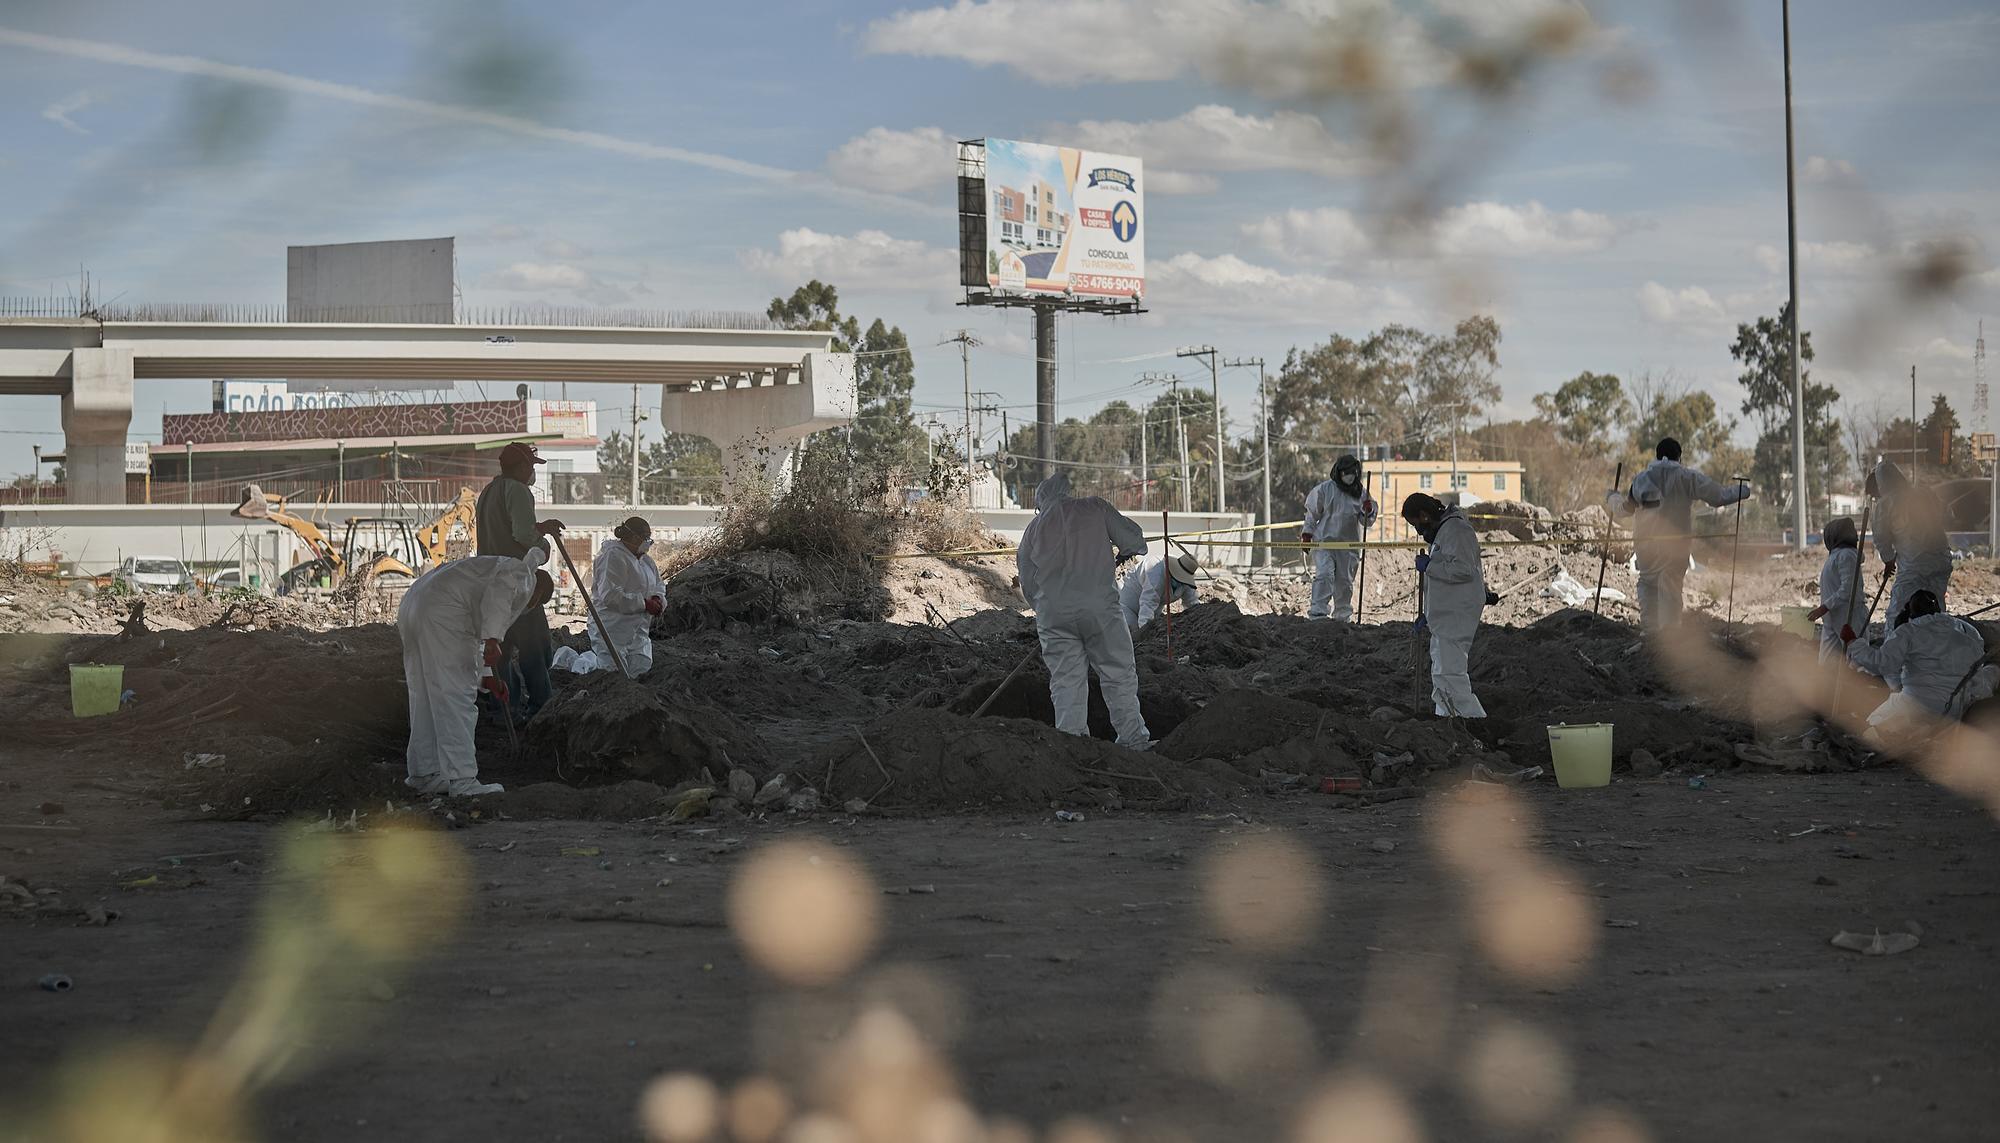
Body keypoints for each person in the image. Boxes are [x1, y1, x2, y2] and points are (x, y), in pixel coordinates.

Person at [398, 549, 554, 797]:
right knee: (457, 697)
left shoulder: (488, 570)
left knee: (425, 695)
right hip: (444, 611)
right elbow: (500, 594)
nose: (530, 607)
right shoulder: (524, 576)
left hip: (416, 605)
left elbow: (473, 639)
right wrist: (493, 640)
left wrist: (487, 678)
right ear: (538, 595)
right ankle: (462, 780)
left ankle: (424, 773)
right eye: (535, 603)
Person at [1015, 472, 1152, 749]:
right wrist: (1122, 552)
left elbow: (1028, 581)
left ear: (1041, 501)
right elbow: (1135, 541)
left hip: (1054, 615)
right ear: (1067, 492)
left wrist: (1044, 610)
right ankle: (1134, 741)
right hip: (1099, 607)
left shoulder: (1034, 528)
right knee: (1118, 672)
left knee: (1066, 681)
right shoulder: (1094, 507)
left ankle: (1072, 746)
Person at [1608, 438, 1750, 631]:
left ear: (1657, 455)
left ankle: (1650, 635)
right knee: (1671, 590)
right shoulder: (1687, 477)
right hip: (1675, 549)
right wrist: (1742, 490)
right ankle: (1670, 638)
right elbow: (1718, 497)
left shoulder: (1641, 479)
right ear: (1679, 457)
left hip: (1646, 548)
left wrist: (1612, 497)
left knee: (1648, 586)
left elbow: (1625, 509)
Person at [476, 442, 566, 720]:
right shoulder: (518, 490)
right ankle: (540, 707)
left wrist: (541, 526)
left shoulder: (490, 491)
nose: (533, 473)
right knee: (536, 648)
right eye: (531, 466)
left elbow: (508, 527)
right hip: (517, 584)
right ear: (522, 466)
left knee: (499, 650)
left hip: (491, 584)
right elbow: (523, 535)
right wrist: (543, 546)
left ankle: (506, 708)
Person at [1846, 590, 1997, 742]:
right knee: (1991, 672)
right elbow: (1978, 662)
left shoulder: (1908, 632)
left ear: (1911, 610)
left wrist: (1853, 642)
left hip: (1918, 706)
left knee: (1870, 734)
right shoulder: (1966, 630)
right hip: (1956, 708)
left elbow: (1881, 664)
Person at [1402, 492, 1489, 719]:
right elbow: (1445, 578)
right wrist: (1429, 616)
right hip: (1446, 613)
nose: (1417, 531)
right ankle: (1448, 715)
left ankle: (1467, 718)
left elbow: (1463, 570)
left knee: (1450, 671)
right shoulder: (1445, 531)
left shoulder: (1457, 531)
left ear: (1424, 515)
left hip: (1457, 612)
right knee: (1442, 670)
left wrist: (1430, 566)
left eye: (1415, 524)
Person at [569, 516, 666, 676]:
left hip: (638, 629)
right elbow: (611, 595)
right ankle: (583, 664)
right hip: (612, 629)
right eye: (646, 537)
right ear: (634, 537)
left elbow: (658, 584)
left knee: (640, 669)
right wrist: (643, 604)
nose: (649, 542)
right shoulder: (612, 557)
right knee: (612, 673)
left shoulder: (646, 561)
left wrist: (658, 598)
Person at [1867, 460, 1953, 628]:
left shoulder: (1886, 504)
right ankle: (1938, 643)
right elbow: (1948, 514)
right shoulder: (1924, 493)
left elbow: (1881, 538)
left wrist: (1888, 560)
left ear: (1881, 484)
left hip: (1915, 564)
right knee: (1934, 605)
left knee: (1899, 609)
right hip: (1941, 559)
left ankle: (1892, 647)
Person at [1300, 455, 1376, 622]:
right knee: (1325, 575)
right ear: (1339, 473)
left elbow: (1368, 521)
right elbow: (1312, 513)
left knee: (1344, 582)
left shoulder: (1361, 493)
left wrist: (1368, 510)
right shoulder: (1325, 490)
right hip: (1324, 544)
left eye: (1353, 473)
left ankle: (1342, 616)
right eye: (1346, 473)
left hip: (1348, 547)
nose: (1350, 476)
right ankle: (1318, 613)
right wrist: (1307, 533)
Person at [1808, 516, 1866, 661]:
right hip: (1833, 618)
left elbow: (1848, 589)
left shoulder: (1846, 555)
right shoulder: (1837, 555)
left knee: (1856, 662)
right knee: (1828, 666)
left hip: (1848, 617)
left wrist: (1824, 607)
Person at [1120, 550, 1199, 633]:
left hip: (1154, 609)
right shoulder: (1155, 572)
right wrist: (1144, 631)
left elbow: (1192, 602)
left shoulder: (1186, 581)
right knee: (1131, 633)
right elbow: (1148, 603)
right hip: (1128, 603)